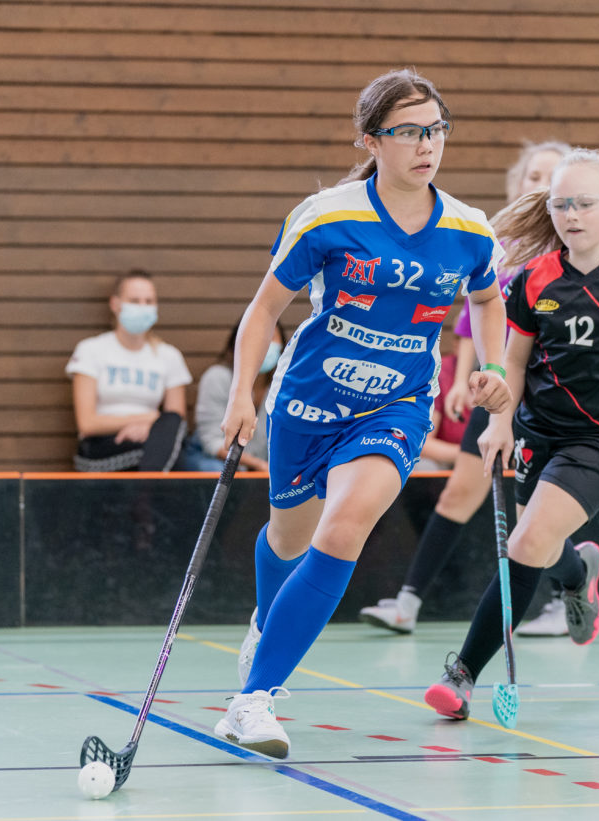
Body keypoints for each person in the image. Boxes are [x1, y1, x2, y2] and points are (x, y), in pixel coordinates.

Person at [210, 69, 512, 759]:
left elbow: (489, 300)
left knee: (346, 525)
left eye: (435, 129)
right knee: (288, 540)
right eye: (408, 131)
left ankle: (252, 700)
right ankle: (268, 619)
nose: (425, 144)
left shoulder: (468, 229)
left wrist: (493, 371)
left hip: (396, 406)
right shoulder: (326, 215)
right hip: (307, 401)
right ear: (372, 140)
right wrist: (239, 396)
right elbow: (263, 310)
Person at [424, 147, 599, 722]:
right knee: (543, 543)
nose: (571, 215)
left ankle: (462, 675)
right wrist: (500, 422)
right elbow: (515, 362)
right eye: (559, 205)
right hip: (538, 430)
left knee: (525, 543)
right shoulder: (531, 280)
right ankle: (580, 575)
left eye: (584, 204)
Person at [359, 140, 575, 637]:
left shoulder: (570, 252)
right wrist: (459, 381)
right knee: (458, 492)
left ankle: (569, 592)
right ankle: (408, 602)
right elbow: (470, 319)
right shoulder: (500, 246)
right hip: (498, 389)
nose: (541, 186)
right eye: (533, 177)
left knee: (532, 511)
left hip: (542, 395)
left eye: (553, 178)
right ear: (518, 186)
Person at [66, 269, 192, 472]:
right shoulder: (90, 350)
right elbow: (87, 423)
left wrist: (151, 427)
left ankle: (144, 493)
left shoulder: (170, 356)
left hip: (153, 439)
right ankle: (149, 493)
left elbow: (175, 419)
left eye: (149, 301)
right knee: (171, 452)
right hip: (103, 445)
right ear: (115, 304)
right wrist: (149, 418)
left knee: (171, 428)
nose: (142, 307)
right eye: (134, 301)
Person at [180, 318, 287, 473]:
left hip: (260, 467)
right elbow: (212, 443)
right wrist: (258, 465)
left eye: (271, 337)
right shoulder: (217, 377)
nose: (264, 342)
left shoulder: (282, 386)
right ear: (237, 343)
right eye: (257, 336)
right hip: (212, 460)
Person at [412, 351, 469, 471]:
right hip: (445, 460)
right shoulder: (439, 373)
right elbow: (423, 443)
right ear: (457, 345)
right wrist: (471, 455)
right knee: (424, 466)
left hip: (484, 462)